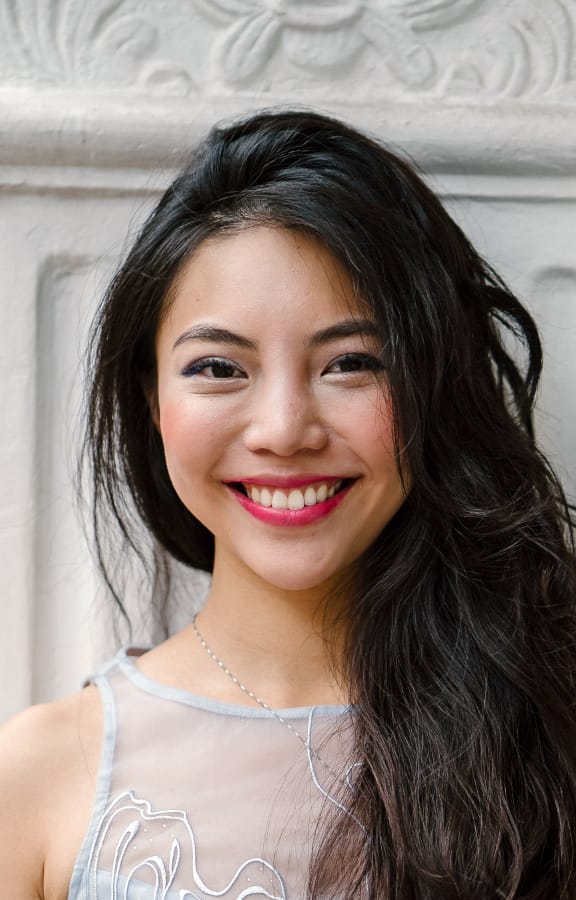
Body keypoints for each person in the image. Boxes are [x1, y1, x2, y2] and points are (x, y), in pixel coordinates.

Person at [1, 109, 575, 900]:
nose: (283, 430)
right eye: (218, 368)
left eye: (350, 362)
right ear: (152, 398)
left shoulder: (548, 729)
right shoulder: (35, 778)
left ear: (431, 384)